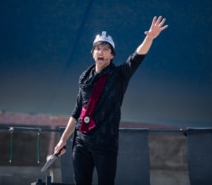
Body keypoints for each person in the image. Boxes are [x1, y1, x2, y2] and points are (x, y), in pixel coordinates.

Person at [54, 16, 168, 185]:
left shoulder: (119, 76)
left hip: (105, 143)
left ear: (112, 55)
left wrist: (149, 37)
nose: (101, 52)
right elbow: (77, 111)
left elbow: (136, 58)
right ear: (92, 53)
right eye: (98, 48)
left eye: (106, 49)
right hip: (81, 142)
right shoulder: (84, 79)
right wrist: (63, 140)